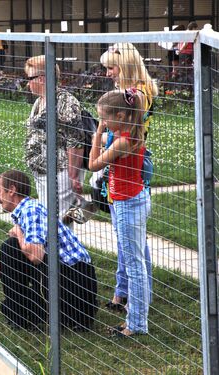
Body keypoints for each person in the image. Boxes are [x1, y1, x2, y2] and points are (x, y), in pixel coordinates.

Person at [0, 170, 98, 331]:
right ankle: (21, 311)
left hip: (75, 293)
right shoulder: (29, 210)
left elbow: (36, 256)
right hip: (76, 296)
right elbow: (7, 266)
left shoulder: (30, 210)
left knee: (9, 248)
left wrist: (18, 232)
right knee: (12, 256)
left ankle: (21, 316)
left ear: (12, 190)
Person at [92, 42, 156, 314]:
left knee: (131, 241)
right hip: (121, 164)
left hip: (130, 166)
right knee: (127, 238)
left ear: (127, 65)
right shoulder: (128, 93)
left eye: (112, 67)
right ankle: (124, 291)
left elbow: (129, 127)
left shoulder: (138, 95)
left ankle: (136, 299)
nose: (108, 73)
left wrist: (102, 134)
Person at [88, 88, 151, 338]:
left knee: (135, 265)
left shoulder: (123, 141)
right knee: (135, 260)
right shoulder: (130, 132)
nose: (103, 122)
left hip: (127, 204)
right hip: (134, 198)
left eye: (106, 117)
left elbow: (93, 164)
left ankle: (135, 323)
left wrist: (97, 134)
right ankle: (137, 317)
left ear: (122, 115)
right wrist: (106, 132)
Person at [24, 55, 86, 221]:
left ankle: (58, 248)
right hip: (43, 172)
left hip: (60, 173)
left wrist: (73, 176)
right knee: (49, 219)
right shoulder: (40, 101)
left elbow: (76, 139)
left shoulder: (64, 101)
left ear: (42, 79)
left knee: (57, 222)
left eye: (29, 78)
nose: (27, 83)